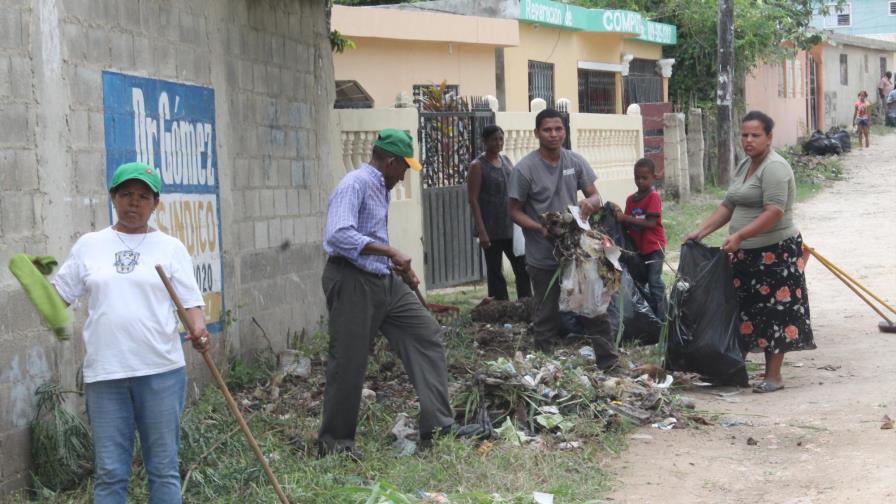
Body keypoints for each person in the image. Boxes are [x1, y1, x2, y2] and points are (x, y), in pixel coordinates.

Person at [51, 162, 209, 503]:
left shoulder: (171, 248)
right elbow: (57, 298)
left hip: (161, 371)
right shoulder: (90, 245)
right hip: (105, 373)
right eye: (126, 195)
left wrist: (198, 330)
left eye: (142, 196)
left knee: (163, 467)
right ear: (113, 198)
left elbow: (191, 305)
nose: (133, 203)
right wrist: (37, 283)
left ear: (155, 204)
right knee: (110, 472)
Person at [319, 128, 459, 458]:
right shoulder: (355, 184)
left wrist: (395, 265)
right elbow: (338, 235)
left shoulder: (382, 186)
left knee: (425, 334)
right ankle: (336, 444)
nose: (406, 173)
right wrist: (390, 252)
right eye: (404, 167)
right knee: (349, 362)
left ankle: (438, 426)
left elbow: (371, 237)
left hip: (383, 281)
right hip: (352, 280)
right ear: (390, 161)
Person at [686, 111, 815, 393]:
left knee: (775, 313)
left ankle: (774, 376)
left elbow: (774, 212)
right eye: (744, 134)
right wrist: (701, 231)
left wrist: (740, 235)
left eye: (755, 135)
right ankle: (732, 370)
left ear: (769, 137)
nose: (748, 140)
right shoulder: (745, 164)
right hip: (746, 254)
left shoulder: (775, 168)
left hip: (776, 254)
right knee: (742, 310)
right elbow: (729, 204)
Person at [508, 109, 618, 370]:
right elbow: (513, 211)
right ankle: (544, 369)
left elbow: (595, 197)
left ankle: (610, 363)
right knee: (546, 314)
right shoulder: (525, 169)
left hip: (577, 253)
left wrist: (588, 204)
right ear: (537, 134)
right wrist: (539, 228)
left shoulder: (574, 161)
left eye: (558, 129)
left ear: (564, 132)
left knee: (593, 308)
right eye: (547, 130)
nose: (554, 134)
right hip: (543, 254)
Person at [467, 125, 532, 301]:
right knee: (495, 272)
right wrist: (481, 231)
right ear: (485, 141)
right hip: (490, 228)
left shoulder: (506, 161)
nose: (498, 142)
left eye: (501, 139)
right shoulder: (477, 166)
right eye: (494, 139)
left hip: (510, 225)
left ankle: (526, 304)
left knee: (522, 266)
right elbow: (473, 199)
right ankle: (501, 308)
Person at [616, 157, 667, 319]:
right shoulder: (631, 200)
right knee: (640, 283)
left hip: (654, 248)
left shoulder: (653, 197)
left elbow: (651, 223)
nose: (640, 181)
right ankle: (650, 316)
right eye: (637, 177)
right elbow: (626, 224)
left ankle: (664, 317)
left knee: (654, 281)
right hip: (638, 249)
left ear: (653, 177)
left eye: (644, 178)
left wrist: (625, 218)